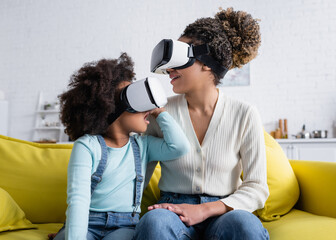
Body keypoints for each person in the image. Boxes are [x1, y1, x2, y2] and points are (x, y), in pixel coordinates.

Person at [134, 8, 270, 240]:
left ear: (207, 63)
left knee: (244, 224)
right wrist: (87, 227)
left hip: (225, 210)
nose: (169, 69)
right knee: (155, 224)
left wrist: (205, 209)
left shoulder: (244, 114)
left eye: (178, 59)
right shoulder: (159, 112)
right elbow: (136, 179)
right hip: (172, 211)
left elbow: (257, 187)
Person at [51, 53, 190, 240]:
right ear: (110, 108)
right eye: (134, 98)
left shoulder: (143, 146)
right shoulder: (87, 146)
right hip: (88, 223)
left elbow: (179, 147)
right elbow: (78, 201)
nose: (146, 107)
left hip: (124, 226)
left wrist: (160, 112)